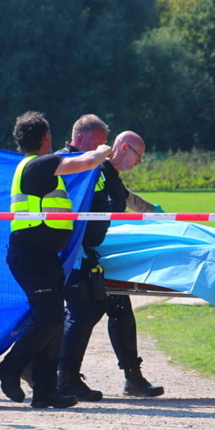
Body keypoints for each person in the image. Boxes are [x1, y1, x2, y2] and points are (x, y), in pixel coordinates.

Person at [0, 111, 112, 409]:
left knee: (55, 320)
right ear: (46, 138)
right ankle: (10, 367)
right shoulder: (40, 164)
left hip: (42, 256)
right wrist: (101, 151)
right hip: (31, 256)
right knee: (48, 318)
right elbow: (84, 163)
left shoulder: (34, 166)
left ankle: (46, 391)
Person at [55, 117, 164, 401]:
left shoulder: (103, 172)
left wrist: (162, 216)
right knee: (82, 312)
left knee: (118, 309)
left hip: (99, 254)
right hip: (77, 256)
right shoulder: (79, 166)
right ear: (125, 148)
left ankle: (132, 377)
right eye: (138, 156)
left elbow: (126, 198)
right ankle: (57, 374)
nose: (139, 162)